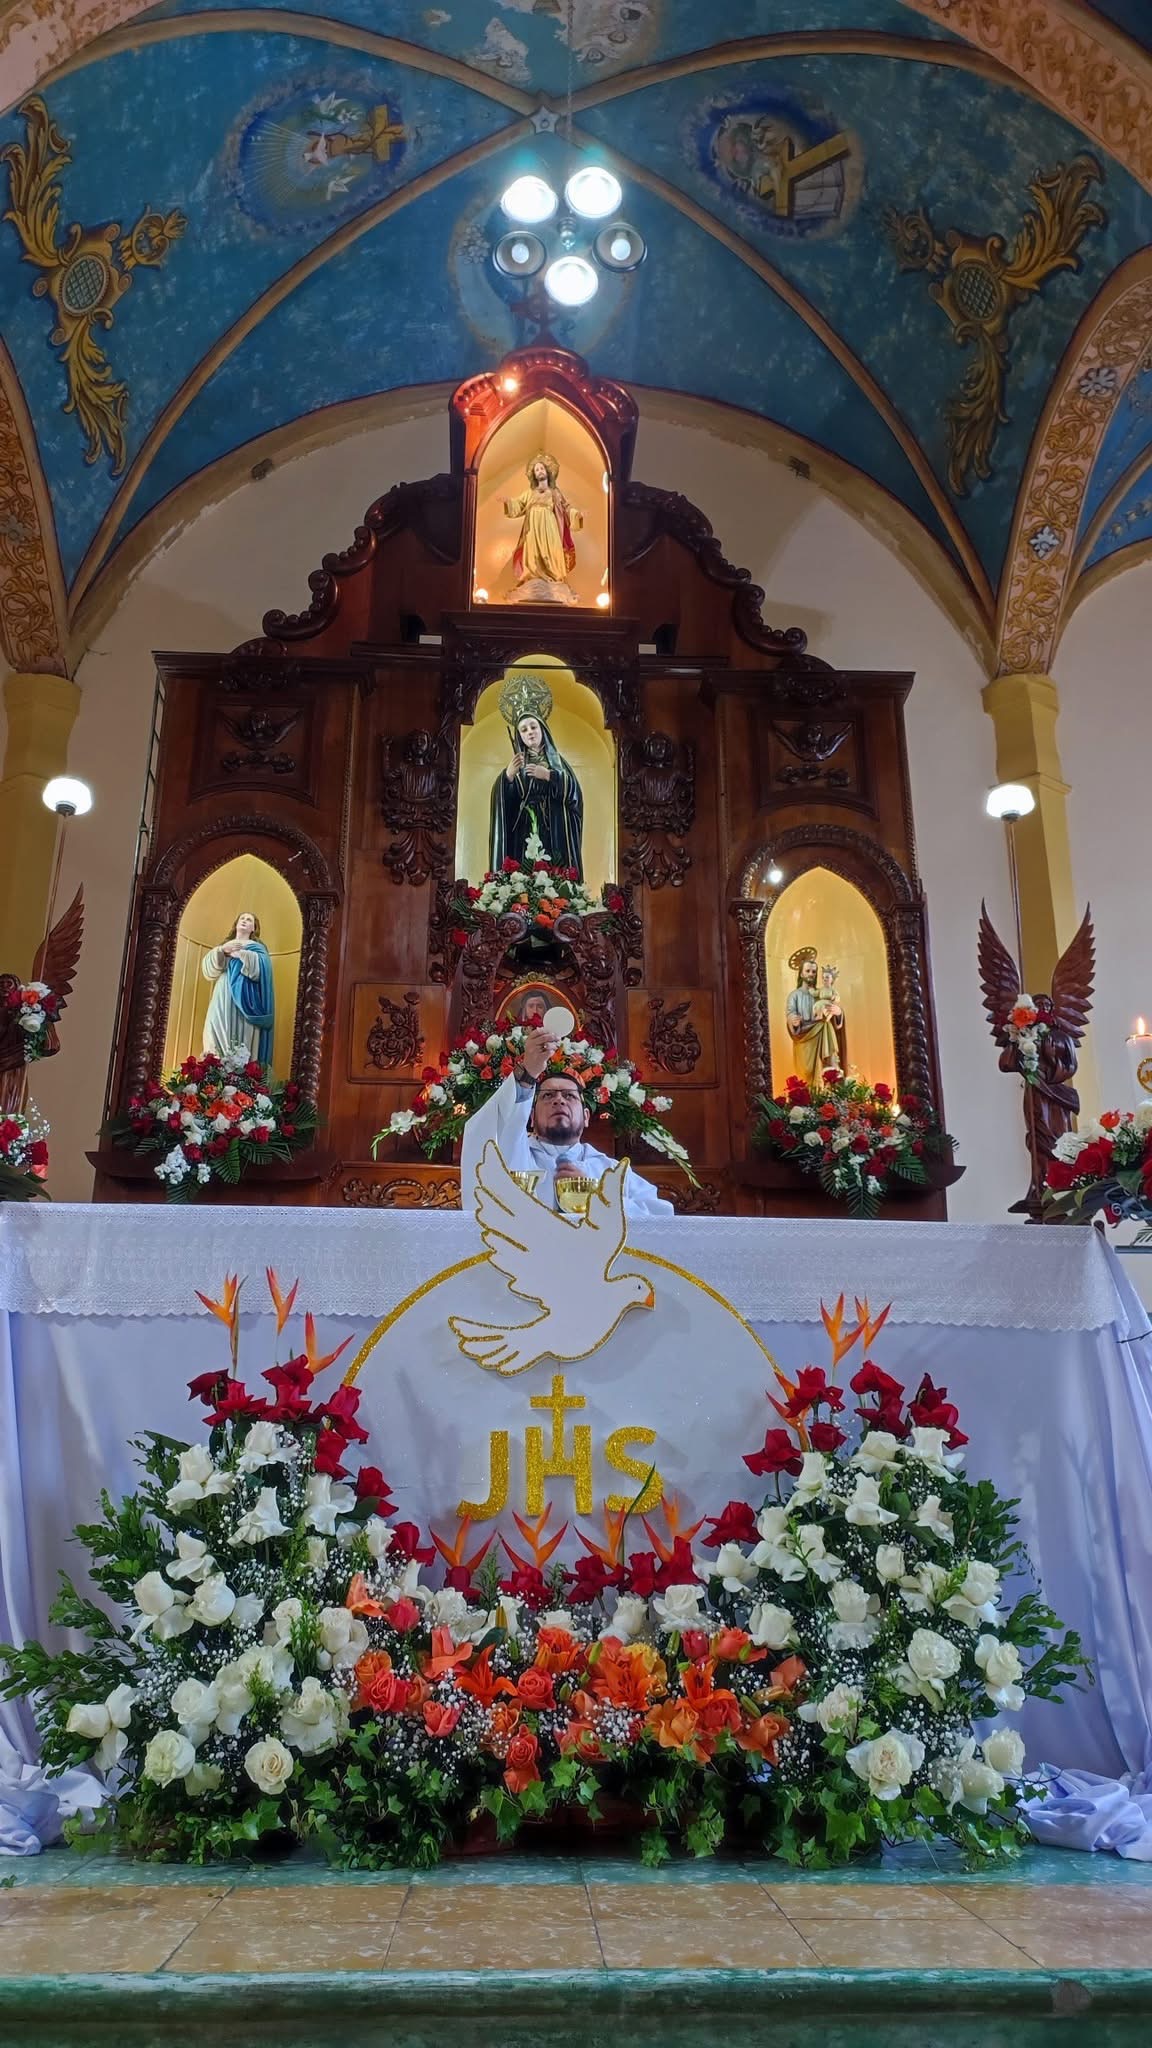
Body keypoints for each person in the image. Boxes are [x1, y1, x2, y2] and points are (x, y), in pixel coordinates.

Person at [461, 1025, 673, 1218]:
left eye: (569, 1096)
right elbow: (490, 1129)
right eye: (548, 1095)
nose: (559, 1100)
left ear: (587, 1117)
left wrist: (599, 1199)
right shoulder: (511, 1153)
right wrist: (527, 1074)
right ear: (531, 1118)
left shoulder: (611, 1171)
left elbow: (661, 1217)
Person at [489, 677, 584, 878]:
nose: (530, 732)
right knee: (524, 872)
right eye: (524, 730)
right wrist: (508, 778)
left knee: (553, 869)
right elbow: (507, 806)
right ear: (519, 736)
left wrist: (549, 776)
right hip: (524, 830)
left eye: (533, 727)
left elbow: (574, 795)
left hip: (553, 829)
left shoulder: (557, 761)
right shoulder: (517, 763)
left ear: (542, 729)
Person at [503, 452, 583, 605]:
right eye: (536, 470)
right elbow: (518, 505)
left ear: (548, 471)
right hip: (532, 529)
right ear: (533, 474)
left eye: (541, 469)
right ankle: (533, 577)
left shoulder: (555, 493)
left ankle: (552, 577)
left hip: (550, 527)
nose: (539, 471)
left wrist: (577, 515)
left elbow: (566, 509)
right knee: (532, 552)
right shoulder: (529, 493)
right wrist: (508, 502)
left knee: (551, 551)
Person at [202, 911, 275, 1066]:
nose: (244, 921)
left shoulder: (258, 949)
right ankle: (214, 1069)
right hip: (224, 990)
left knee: (243, 1032)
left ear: (254, 928)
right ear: (236, 924)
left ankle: (242, 1073)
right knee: (215, 1024)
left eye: (249, 920)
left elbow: (262, 970)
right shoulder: (224, 945)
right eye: (242, 918)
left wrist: (241, 954)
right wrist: (222, 950)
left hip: (246, 997)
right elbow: (208, 971)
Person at [786, 946, 845, 1088]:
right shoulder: (794, 995)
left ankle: (828, 1102)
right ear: (801, 974)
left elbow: (831, 1006)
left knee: (827, 1070)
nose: (811, 974)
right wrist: (792, 1019)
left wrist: (838, 1013)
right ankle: (806, 1104)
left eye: (814, 971)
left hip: (823, 1034)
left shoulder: (820, 993)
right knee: (805, 1074)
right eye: (808, 971)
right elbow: (790, 1012)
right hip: (804, 1038)